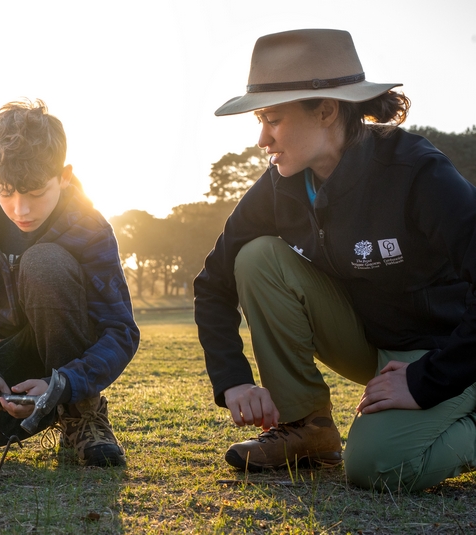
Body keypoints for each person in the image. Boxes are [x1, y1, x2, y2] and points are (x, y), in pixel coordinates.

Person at [194, 29, 476, 491]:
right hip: (371, 342)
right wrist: (232, 381)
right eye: (258, 121)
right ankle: (307, 428)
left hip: (448, 351)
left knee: (378, 466)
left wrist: (429, 379)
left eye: (272, 119)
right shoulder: (280, 184)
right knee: (257, 257)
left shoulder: (416, 172)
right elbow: (213, 282)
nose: (262, 138)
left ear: (325, 110)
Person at [0, 99, 139, 467]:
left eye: (35, 193)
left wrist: (62, 384)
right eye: (6, 191)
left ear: (64, 175)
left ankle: (80, 414)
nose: (21, 209)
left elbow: (120, 330)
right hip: (6, 353)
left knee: (44, 261)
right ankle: (42, 407)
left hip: (70, 353)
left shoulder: (91, 228)